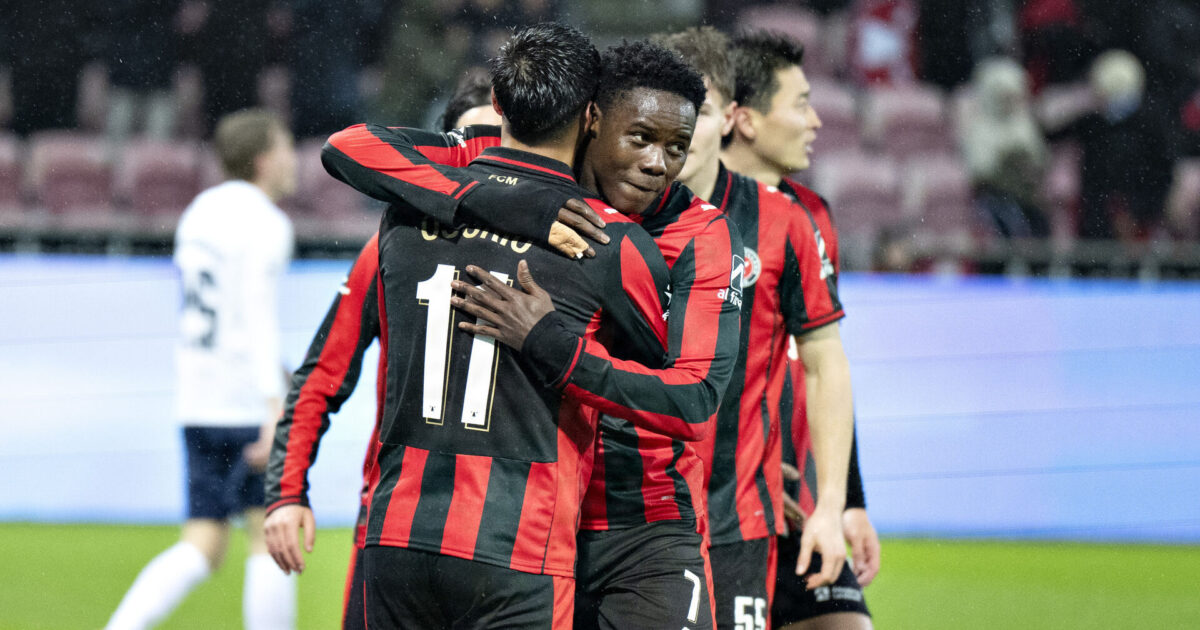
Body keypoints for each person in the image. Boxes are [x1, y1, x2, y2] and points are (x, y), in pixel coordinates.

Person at [320, 38, 744, 629]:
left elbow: (696, 403)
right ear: (592, 119)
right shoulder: (499, 161)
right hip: (530, 522)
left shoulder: (701, 235)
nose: (658, 165)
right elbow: (349, 147)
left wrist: (551, 345)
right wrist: (504, 204)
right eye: (641, 138)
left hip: (638, 526)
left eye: (677, 147)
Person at [261, 82, 501, 630]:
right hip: (400, 518)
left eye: (499, 141)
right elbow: (323, 373)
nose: (486, 159)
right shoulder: (390, 249)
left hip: (515, 532)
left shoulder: (559, 242)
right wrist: (286, 490)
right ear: (447, 150)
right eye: (474, 140)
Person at [106, 109, 297, 630]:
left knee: (203, 542)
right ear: (262, 159)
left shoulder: (199, 213)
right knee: (268, 537)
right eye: (284, 148)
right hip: (245, 403)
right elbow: (256, 314)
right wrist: (275, 407)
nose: (291, 159)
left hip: (197, 398)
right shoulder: (267, 223)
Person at [719, 31, 871, 630]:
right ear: (747, 120)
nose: (815, 121)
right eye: (800, 103)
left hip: (802, 506)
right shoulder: (687, 216)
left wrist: (848, 502)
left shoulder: (814, 215)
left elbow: (824, 366)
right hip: (719, 502)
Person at [962, 58, 1050, 239]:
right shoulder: (980, 127)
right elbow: (980, 171)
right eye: (1004, 97)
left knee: (1039, 223)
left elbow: (1040, 161)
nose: (1009, 102)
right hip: (995, 195)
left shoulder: (1024, 124)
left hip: (1026, 194)